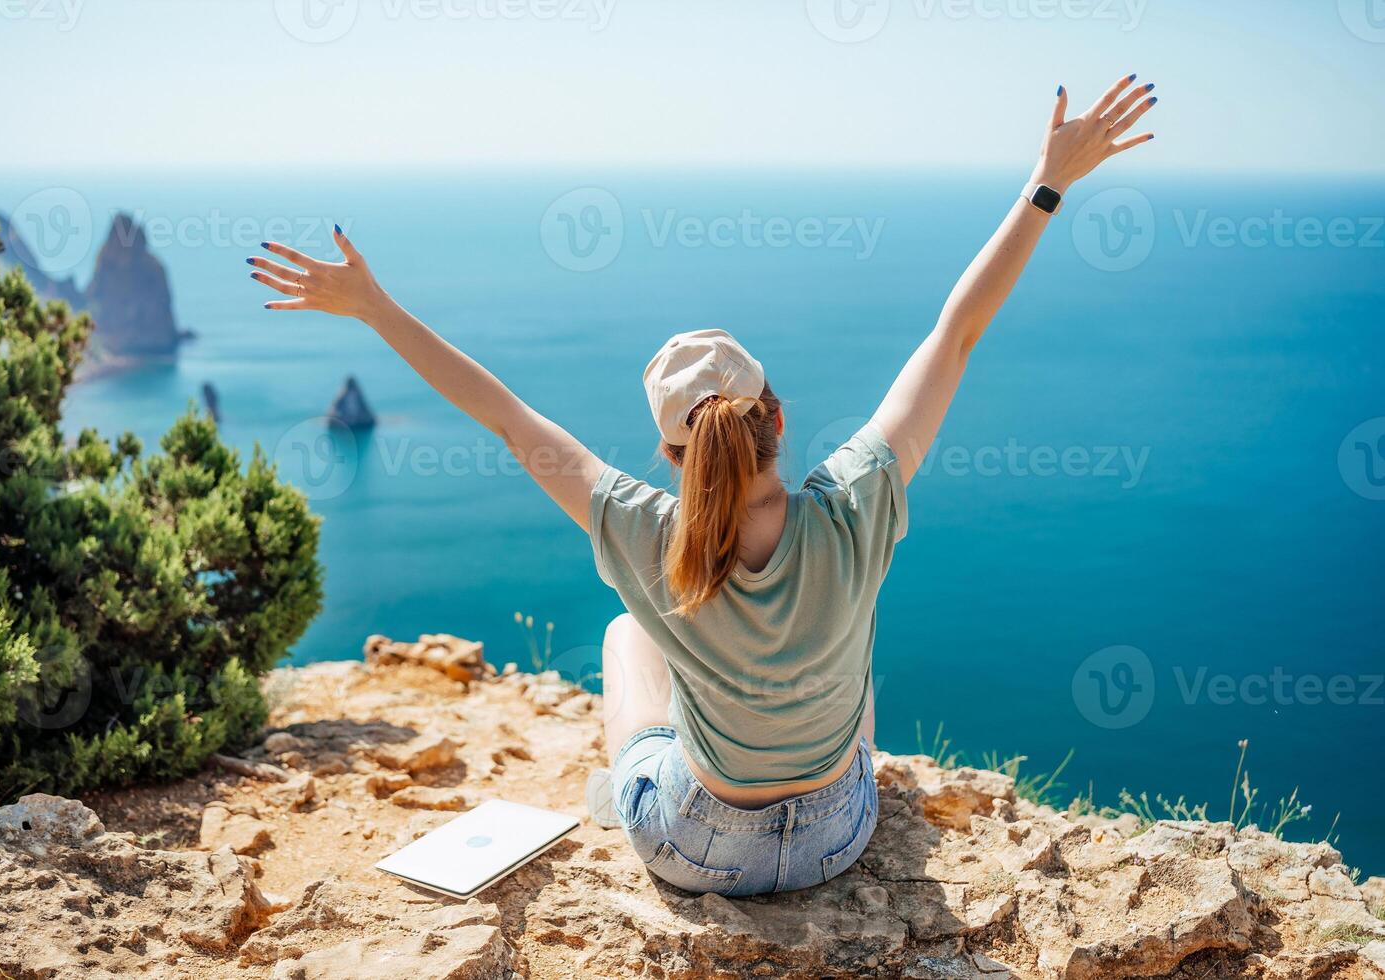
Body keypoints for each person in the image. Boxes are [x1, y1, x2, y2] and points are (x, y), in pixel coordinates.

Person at [246, 75, 1158, 897]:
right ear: (778, 419)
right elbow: (954, 333)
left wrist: (371, 306)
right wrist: (1048, 182)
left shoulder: (644, 533)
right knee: (855, 632)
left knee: (623, 632)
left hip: (696, 847)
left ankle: (644, 787)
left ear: (673, 456)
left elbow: (505, 415)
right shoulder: (853, 509)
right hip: (840, 836)